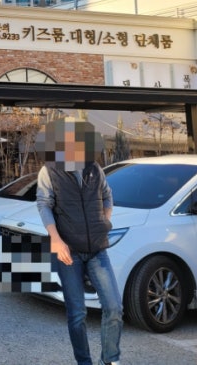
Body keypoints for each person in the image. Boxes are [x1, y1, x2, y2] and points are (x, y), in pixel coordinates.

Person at [35, 117, 122, 365]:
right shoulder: (49, 170)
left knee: (114, 307)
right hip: (68, 251)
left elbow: (107, 196)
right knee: (77, 313)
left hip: (97, 250)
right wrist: (56, 240)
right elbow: (44, 205)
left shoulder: (94, 168)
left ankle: (111, 359)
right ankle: (84, 362)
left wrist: (104, 223)